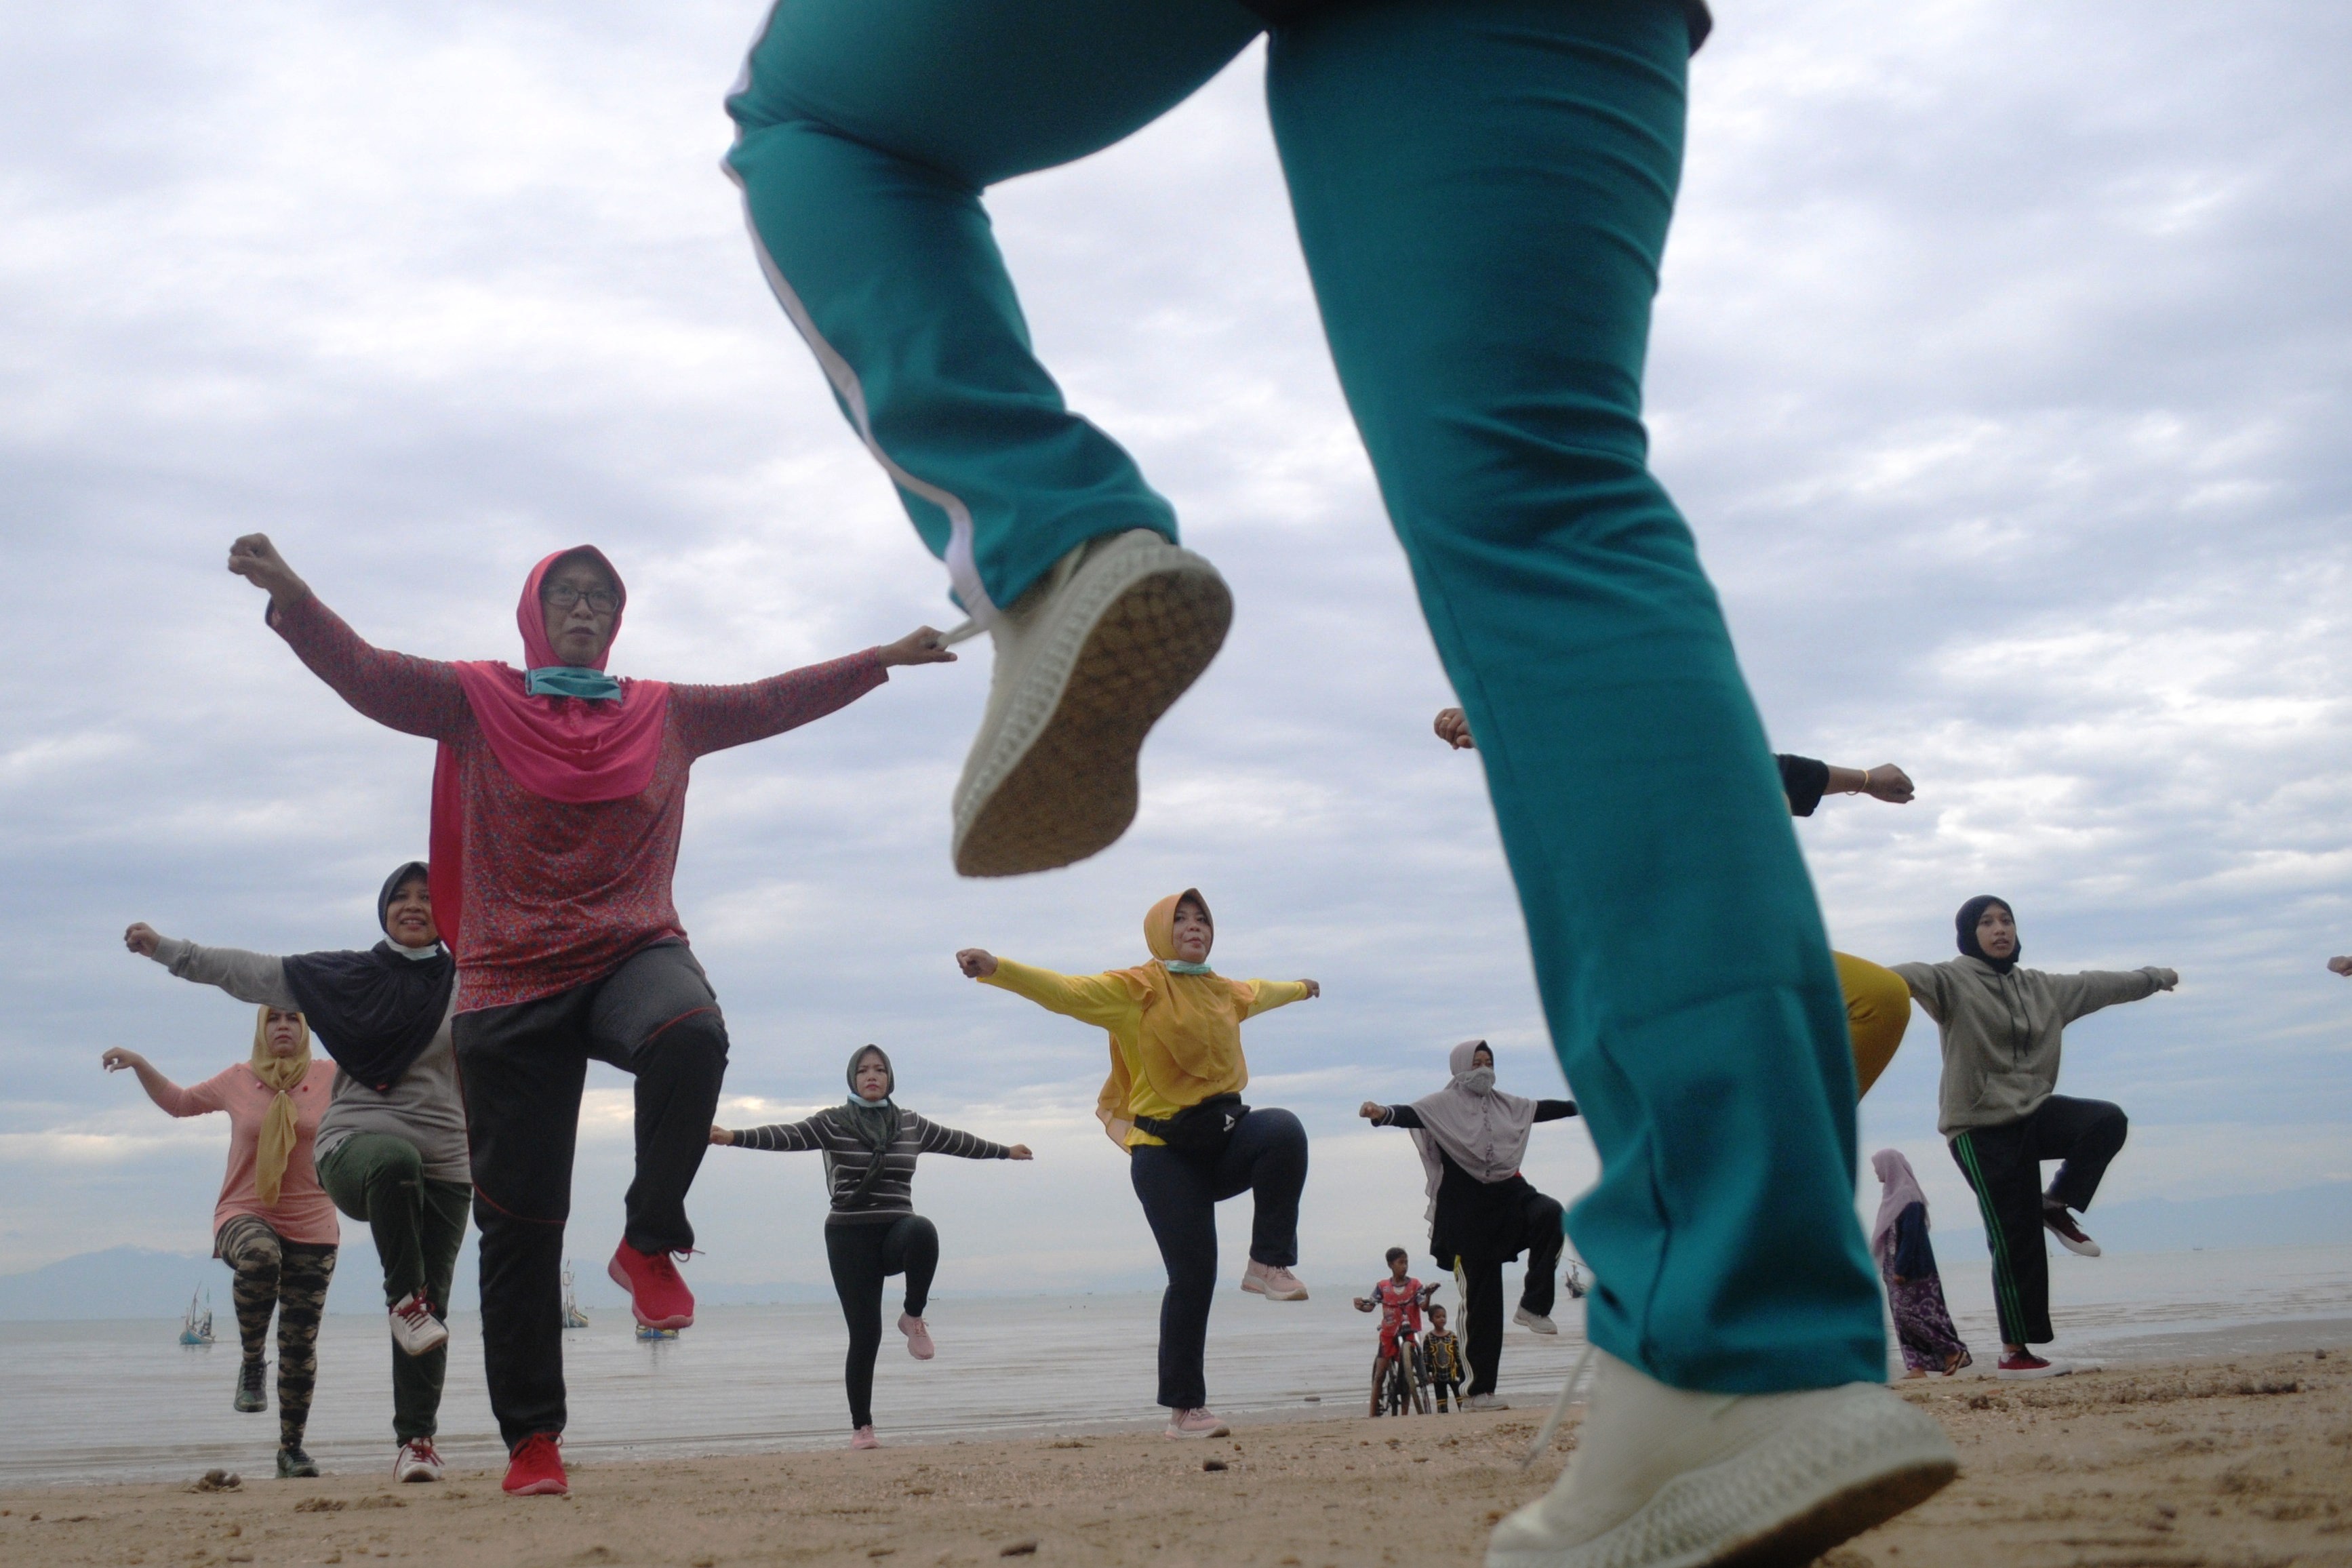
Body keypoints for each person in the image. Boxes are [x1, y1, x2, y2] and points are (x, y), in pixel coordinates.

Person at [728, 2, 1959, 1557]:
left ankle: (1046, 541)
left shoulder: (1193, 986)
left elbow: (1234, 991)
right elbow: (1154, 992)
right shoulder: (1156, 987)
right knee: (1557, 515)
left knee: (818, 130)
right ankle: (1745, 1348)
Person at [225, 533, 955, 1497]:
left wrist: (877, 661)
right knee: (520, 1223)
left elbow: (770, 699)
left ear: (616, 624)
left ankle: (650, 1236)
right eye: (566, 595)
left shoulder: (664, 713)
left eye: (600, 601)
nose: (584, 610)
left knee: (691, 1031)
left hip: (630, 949)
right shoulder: (476, 700)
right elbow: (371, 677)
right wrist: (297, 600)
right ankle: (533, 1443)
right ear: (535, 611)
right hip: (508, 979)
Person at [125, 862, 468, 1483]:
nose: (414, 905)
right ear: (383, 908)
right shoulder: (348, 977)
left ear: (450, 911)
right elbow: (252, 972)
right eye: (401, 896)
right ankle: (402, 1299)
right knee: (395, 1165)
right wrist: (169, 951)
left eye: (428, 895)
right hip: (357, 1146)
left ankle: (416, 1441)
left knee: (433, 1309)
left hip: (446, 1158)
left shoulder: (471, 982)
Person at [956, 889, 1316, 1438]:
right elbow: (1065, 991)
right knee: (1193, 1275)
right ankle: (1185, 1410)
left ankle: (1267, 1261)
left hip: (1221, 1141)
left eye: (1202, 919)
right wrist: (998, 968)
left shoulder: (1225, 991)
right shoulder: (1135, 990)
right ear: (1158, 930)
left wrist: (1301, 988)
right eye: (1182, 919)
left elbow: (1265, 992)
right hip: (1164, 1155)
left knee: (1283, 1129)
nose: (1195, 927)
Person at [1437, 705, 1917, 1097]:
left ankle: (1806, 1135)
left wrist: (1867, 778)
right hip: (1660, 955)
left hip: (1745, 945)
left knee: (1882, 996)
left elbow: (1780, 771)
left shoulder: (1712, 757)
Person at [1892, 896, 2176, 1380]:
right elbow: (1900, 977)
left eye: (2006, 920)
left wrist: (2156, 976)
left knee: (2104, 1120)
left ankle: (2056, 1201)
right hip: (1978, 1126)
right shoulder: (1951, 981)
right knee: (2013, 1235)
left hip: (2031, 1114)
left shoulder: (2042, 988)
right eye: (1986, 922)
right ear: (1968, 933)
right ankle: (2014, 1353)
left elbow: (2102, 985)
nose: (1999, 929)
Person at [709, 1045, 1032, 1449]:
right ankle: (863, 1428)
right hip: (849, 1237)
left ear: (890, 1078)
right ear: (853, 1079)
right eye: (863, 1071)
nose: (872, 1076)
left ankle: (913, 1316)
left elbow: (957, 1141)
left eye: (879, 1070)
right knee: (865, 1335)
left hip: (895, 1230)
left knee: (923, 1231)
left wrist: (1004, 1151)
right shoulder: (832, 1123)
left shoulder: (911, 1124)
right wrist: (732, 1136)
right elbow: (786, 1136)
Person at [103, 1008, 338, 1479]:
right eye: (273, 1020)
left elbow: (384, 1088)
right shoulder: (239, 1078)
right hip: (243, 1212)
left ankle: (291, 1450)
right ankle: (252, 1363)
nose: (283, 1027)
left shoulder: (333, 1075)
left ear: (306, 1028)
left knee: (299, 1344)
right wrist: (140, 1063)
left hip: (313, 1224)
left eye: (292, 1018)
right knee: (259, 1255)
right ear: (261, 1029)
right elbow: (180, 1102)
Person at [1359, 1041, 1576, 1412]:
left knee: (1551, 1214)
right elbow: (1411, 1114)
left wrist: (1584, 1103)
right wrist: (1382, 1113)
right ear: (1460, 1067)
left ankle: (1534, 1305)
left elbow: (1540, 1110)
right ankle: (1479, 1393)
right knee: (1483, 1304)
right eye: (1476, 1062)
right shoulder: (1441, 1106)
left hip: (1509, 1195)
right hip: (1466, 1215)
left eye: (1489, 1062)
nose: (1483, 1068)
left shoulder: (1507, 1105)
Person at [1869, 1150, 1969, 1380]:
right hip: (1893, 1269)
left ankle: (1953, 1350)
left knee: (1914, 1315)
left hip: (1913, 1271)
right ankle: (1916, 1366)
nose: (1876, 1172)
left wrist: (1901, 1270)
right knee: (1900, 1318)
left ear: (1889, 1166)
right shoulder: (1891, 1197)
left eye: (1878, 1167)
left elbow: (1911, 1237)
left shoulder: (1909, 1199)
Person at [1353, 1246, 1437, 1417]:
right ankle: (1372, 1413)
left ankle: (1405, 1414)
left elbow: (1424, 1306)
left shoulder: (1415, 1285)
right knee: (1380, 1375)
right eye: (1400, 1263)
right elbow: (1371, 1305)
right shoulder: (1382, 1287)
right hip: (1389, 1334)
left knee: (1407, 1377)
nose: (1404, 1266)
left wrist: (1428, 1294)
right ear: (1391, 1265)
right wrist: (1360, 1306)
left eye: (1406, 1262)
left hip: (1410, 1332)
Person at [1423, 1302, 1467, 1413]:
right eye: (1438, 1317)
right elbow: (1426, 1357)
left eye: (1444, 1316)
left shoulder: (1452, 1336)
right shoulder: (1429, 1338)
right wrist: (1428, 1374)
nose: (1442, 1319)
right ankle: (1443, 1417)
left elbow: (1458, 1354)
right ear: (1431, 1320)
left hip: (1453, 1374)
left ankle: (1464, 1413)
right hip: (1438, 1376)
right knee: (1441, 1400)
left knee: (1460, 1397)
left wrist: (1462, 1370)